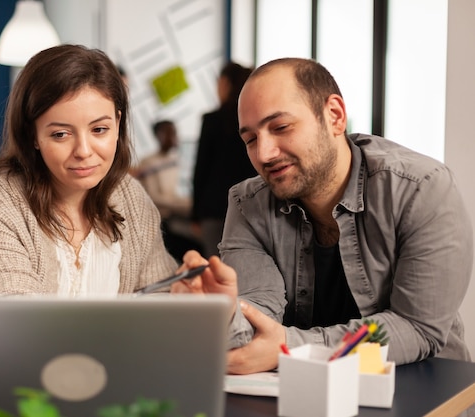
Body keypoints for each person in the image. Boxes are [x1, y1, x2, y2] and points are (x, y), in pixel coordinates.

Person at [173, 57, 473, 374]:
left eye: (281, 127)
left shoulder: (420, 189)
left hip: (423, 384)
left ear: (334, 116)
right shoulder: (248, 204)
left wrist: (291, 348)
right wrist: (224, 312)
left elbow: (416, 329)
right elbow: (258, 316)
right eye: (250, 139)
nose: (264, 154)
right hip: (304, 390)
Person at [0, 44, 178, 296]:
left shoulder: (132, 198)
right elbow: (12, 317)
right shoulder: (1, 200)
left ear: (117, 124)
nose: (83, 151)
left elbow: (160, 296)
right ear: (33, 135)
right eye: (60, 134)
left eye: (99, 130)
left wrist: (186, 296)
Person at [191, 61, 256, 257]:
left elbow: (201, 169)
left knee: (216, 265)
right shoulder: (252, 121)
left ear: (225, 83)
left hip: (215, 207)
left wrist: (195, 215)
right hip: (249, 205)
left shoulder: (212, 120)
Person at [136, 120, 202, 260]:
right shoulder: (148, 162)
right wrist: (186, 204)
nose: (172, 137)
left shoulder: (174, 159)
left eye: (173, 133)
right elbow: (154, 197)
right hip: (163, 219)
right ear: (157, 136)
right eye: (167, 133)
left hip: (177, 212)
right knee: (196, 248)